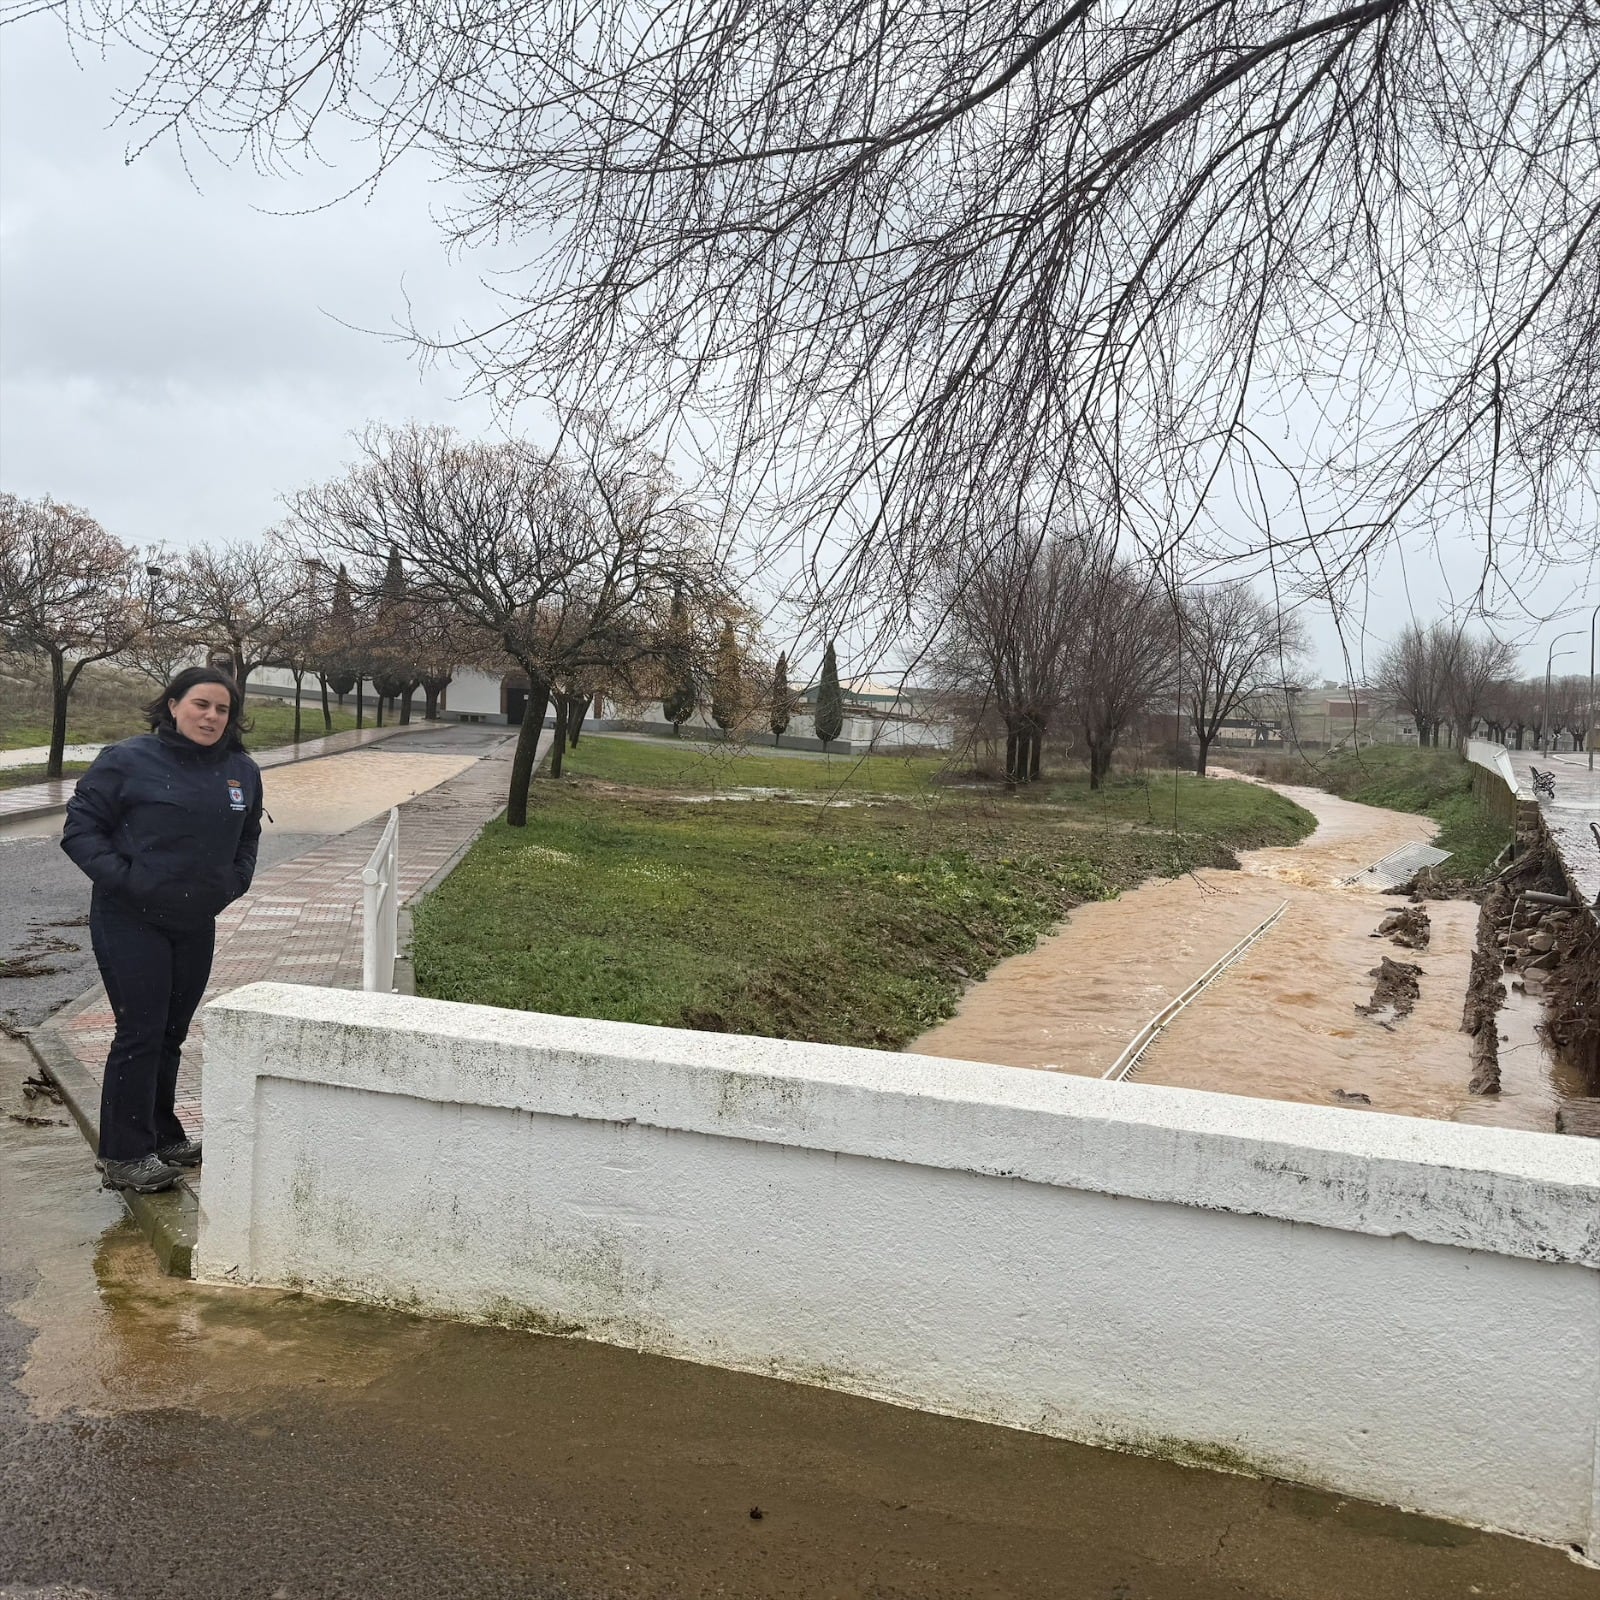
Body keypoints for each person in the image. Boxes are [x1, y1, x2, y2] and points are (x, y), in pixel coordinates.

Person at [61, 666, 263, 1193]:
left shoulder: (240, 770)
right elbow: (80, 831)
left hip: (196, 921)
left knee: (172, 1031)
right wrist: (130, 882)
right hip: (130, 918)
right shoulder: (127, 760)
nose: (212, 716)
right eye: (201, 704)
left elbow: (247, 837)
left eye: (222, 709)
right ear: (173, 704)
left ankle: (162, 1135)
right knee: (140, 1030)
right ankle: (125, 1155)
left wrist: (233, 883)